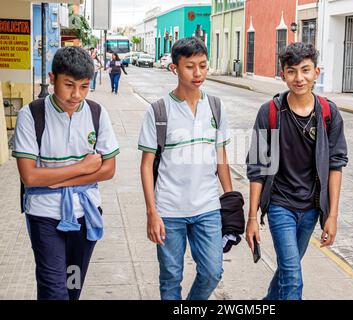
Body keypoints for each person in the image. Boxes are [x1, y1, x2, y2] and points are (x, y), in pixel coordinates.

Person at [12, 46, 120, 300]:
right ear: (52, 79)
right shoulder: (32, 115)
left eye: (84, 86)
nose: (76, 95)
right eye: (69, 85)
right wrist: (83, 167)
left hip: (86, 216)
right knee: (54, 290)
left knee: (72, 286)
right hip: (45, 216)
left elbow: (108, 169)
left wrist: (57, 177)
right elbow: (30, 177)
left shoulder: (96, 113)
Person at [245, 42, 348, 300]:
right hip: (280, 204)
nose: (299, 78)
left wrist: (332, 215)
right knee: (292, 275)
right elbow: (258, 167)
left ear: (317, 72)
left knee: (285, 272)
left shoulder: (328, 113)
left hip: (312, 207)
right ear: (283, 74)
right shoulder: (269, 112)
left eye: (305, 70)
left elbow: (336, 165)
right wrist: (252, 218)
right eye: (292, 71)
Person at [138, 37, 233, 300]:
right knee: (170, 277)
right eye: (190, 66)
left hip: (207, 207)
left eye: (202, 65)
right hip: (169, 210)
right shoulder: (158, 111)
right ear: (175, 68)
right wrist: (151, 212)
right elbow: (147, 166)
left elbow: (221, 156)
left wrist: (230, 199)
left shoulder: (215, 107)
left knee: (213, 271)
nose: (198, 73)